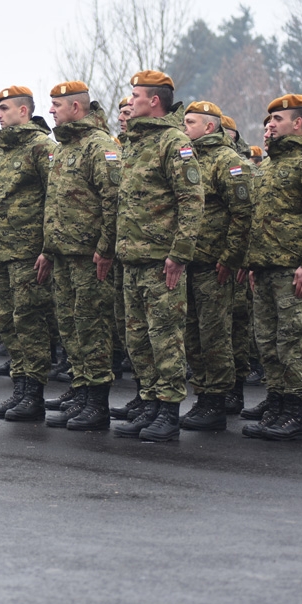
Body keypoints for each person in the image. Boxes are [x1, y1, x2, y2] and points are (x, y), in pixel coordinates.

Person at [112, 70, 203, 442]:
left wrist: (179, 254)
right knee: (138, 340)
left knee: (165, 338)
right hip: (132, 259)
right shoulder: (135, 143)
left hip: (161, 261)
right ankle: (149, 403)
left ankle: (168, 410)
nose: (129, 102)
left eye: (135, 96)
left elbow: (191, 201)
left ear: (153, 101)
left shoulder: (174, 142)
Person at [243, 94, 302, 441]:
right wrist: (254, 263)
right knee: (267, 343)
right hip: (266, 269)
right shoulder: (269, 166)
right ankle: (277, 405)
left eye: (278, 119)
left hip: (293, 271)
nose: (270, 125)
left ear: (297, 123)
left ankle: (293, 412)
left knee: (292, 342)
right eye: (269, 120)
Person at [38, 82, 121, 431]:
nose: (51, 110)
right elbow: (55, 205)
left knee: (93, 327)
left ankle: (97, 403)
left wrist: (105, 248)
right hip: (63, 255)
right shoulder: (65, 148)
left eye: (57, 105)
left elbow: (113, 200)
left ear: (76, 107)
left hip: (89, 257)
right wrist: (48, 249)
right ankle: (83, 393)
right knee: (72, 329)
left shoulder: (99, 146)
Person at [179, 101, 252, 431]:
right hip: (189, 262)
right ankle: (203, 395)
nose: (184, 128)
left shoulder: (227, 160)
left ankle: (217, 401)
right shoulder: (187, 158)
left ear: (209, 127)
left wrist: (230, 257)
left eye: (190, 123)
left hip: (214, 265)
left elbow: (243, 213)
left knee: (214, 335)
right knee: (193, 334)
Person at [0, 86, 55, 421]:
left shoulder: (41, 147)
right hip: (2, 251)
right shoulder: (2, 150)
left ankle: (34, 395)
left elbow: (55, 199)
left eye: (5, 109)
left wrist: (47, 248)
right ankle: (20, 389)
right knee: (8, 324)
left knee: (30, 323)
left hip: (28, 253)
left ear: (23, 111)